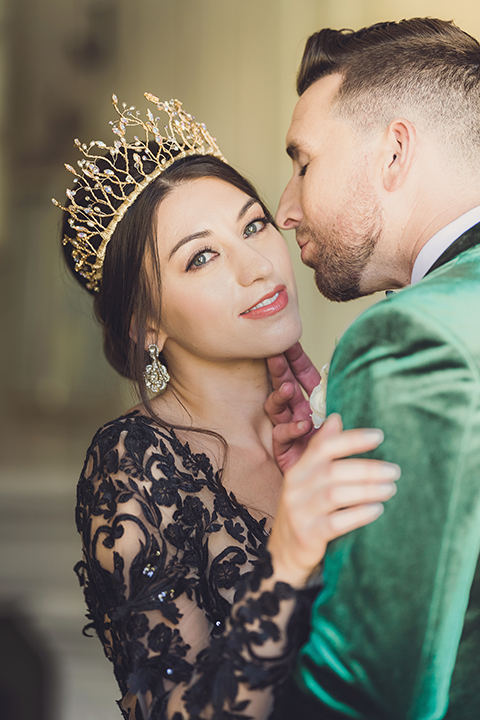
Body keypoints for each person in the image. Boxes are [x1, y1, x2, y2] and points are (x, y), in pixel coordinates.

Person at [53, 94, 399, 720]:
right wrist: (290, 556)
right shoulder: (135, 463)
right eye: (202, 257)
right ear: (145, 323)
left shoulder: (336, 409)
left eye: (253, 225)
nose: (255, 267)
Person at [267, 17, 480, 720]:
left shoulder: (409, 334)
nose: (286, 209)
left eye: (303, 162)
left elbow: (370, 694)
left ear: (394, 151)